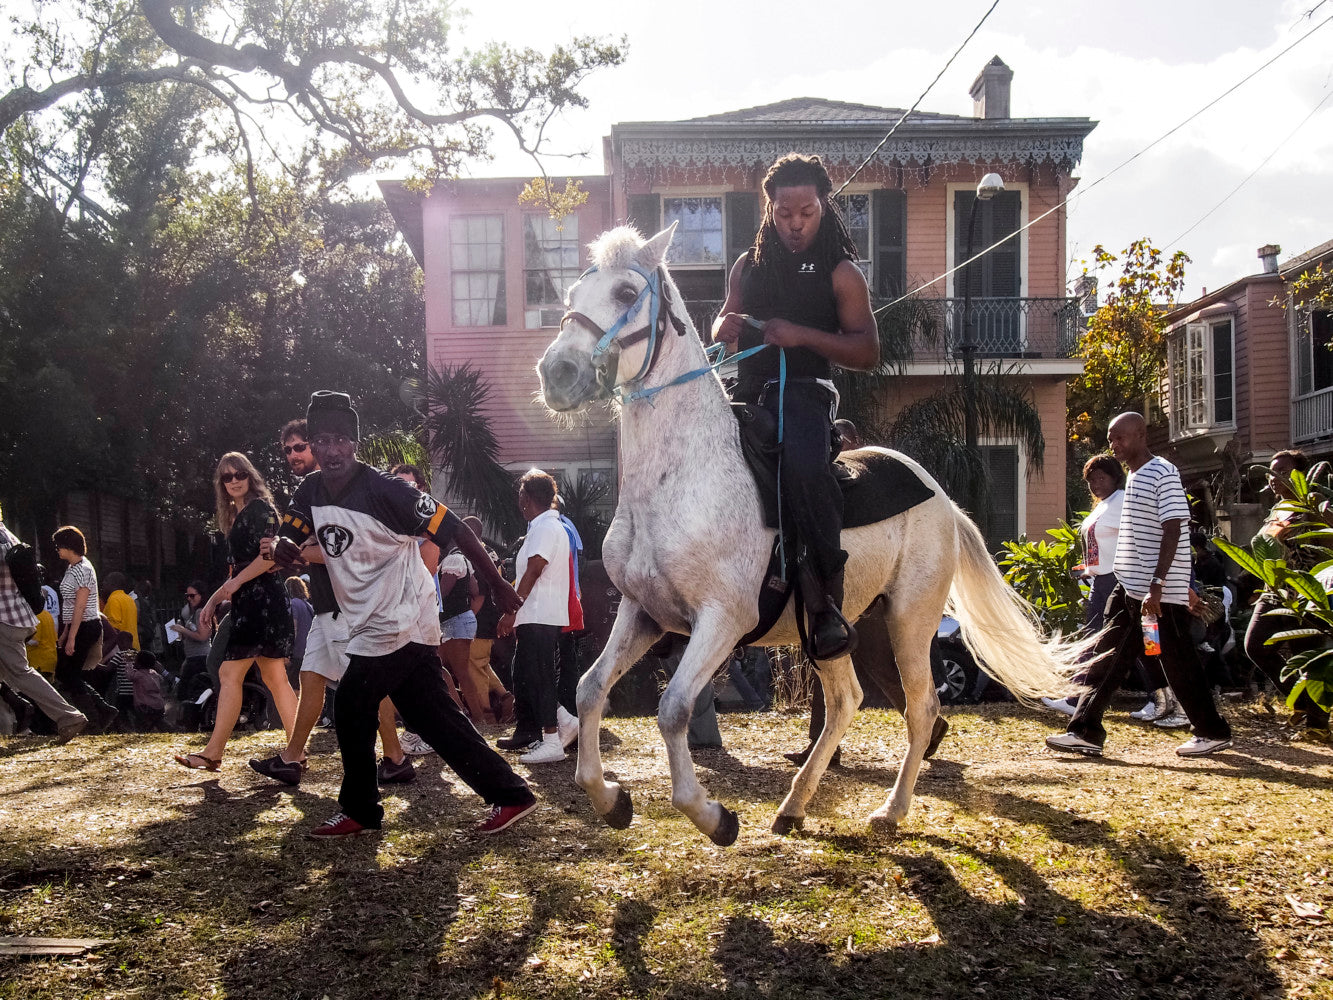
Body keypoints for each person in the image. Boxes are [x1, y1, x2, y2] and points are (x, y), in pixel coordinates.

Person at [272, 390, 536, 837]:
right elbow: (292, 529)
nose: (331, 450)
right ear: (312, 446)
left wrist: (497, 583)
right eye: (322, 441)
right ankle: (511, 794)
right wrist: (283, 547)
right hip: (374, 618)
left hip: (399, 617)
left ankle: (360, 810)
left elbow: (454, 529)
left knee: (354, 704)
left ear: (354, 443)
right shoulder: (310, 490)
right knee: (434, 717)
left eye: (340, 439)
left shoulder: (387, 490)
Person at [712, 153, 879, 660]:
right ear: (770, 209)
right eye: (785, 213)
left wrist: (801, 334)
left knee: (805, 470)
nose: (795, 223)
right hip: (746, 396)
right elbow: (724, 323)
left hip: (807, 392)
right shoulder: (748, 265)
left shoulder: (842, 271)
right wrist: (723, 328)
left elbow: (868, 352)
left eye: (806, 211)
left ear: (822, 207)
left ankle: (827, 602)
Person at [1046, 412, 1233, 758]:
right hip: (1130, 587)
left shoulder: (1162, 471)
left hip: (1156, 593)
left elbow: (1174, 527)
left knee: (1177, 660)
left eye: (1121, 438)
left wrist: (1162, 585)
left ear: (1141, 435)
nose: (1115, 444)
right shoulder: (1133, 476)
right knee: (1109, 655)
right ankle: (1086, 731)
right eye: (1111, 438)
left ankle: (1211, 730)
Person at [249, 419, 414, 787]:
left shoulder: (346, 490)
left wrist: (299, 553)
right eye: (288, 449)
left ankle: (395, 757)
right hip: (326, 602)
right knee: (310, 678)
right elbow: (292, 544)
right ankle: (292, 758)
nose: (295, 454)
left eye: (302, 446)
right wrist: (285, 548)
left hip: (349, 603)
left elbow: (345, 549)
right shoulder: (311, 492)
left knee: (368, 685)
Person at [174, 453, 297, 771]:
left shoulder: (260, 509)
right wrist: (216, 598)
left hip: (262, 602)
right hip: (250, 601)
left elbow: (270, 559)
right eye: (226, 477)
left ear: (250, 475)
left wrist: (232, 587)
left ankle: (213, 753)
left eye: (239, 473)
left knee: (232, 674)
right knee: (274, 677)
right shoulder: (237, 514)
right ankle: (296, 752)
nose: (233, 480)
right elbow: (239, 569)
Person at [1244, 449, 1329, 733]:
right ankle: (1301, 699)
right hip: (1274, 591)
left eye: (1282, 471)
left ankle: (1317, 725)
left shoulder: (1314, 503)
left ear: (1299, 476)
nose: (1274, 477)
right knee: (1255, 645)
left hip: (1305, 592)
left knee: (1308, 658)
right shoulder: (1276, 508)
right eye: (1271, 471)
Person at [497, 469, 577, 764]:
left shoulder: (544, 527)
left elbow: (533, 570)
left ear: (526, 499)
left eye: (520, 494)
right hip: (536, 613)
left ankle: (552, 740)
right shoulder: (543, 526)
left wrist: (510, 611)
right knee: (530, 676)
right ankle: (562, 723)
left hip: (540, 613)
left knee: (541, 677)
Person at [0, 519, 87, 743]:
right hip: (17, 616)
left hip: (3, 620)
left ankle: (68, 716)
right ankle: (9, 728)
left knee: (21, 673)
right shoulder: (8, 535)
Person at [51, 525, 118, 731]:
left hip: (86, 626)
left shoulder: (84, 568)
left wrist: (71, 637)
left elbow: (80, 606)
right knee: (67, 673)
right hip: (77, 626)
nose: (57, 550)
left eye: (58, 546)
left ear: (68, 546)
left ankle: (95, 718)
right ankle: (102, 710)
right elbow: (70, 606)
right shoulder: (72, 568)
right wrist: (65, 633)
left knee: (69, 673)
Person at [457, 515, 516, 727]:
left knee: (473, 666)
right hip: (492, 616)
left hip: (479, 618)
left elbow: (480, 594)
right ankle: (505, 696)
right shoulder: (490, 552)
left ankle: (486, 713)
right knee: (480, 663)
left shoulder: (473, 554)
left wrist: (468, 621)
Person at [176, 580, 212, 685]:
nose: (189, 599)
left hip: (200, 658)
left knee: (185, 692)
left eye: (192, 596)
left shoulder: (200, 612)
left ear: (201, 595)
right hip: (193, 657)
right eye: (187, 596)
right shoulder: (194, 612)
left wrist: (183, 629)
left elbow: (202, 636)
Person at [100, 572, 141, 652]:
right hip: (134, 648)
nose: (103, 584)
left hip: (121, 651)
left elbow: (113, 631)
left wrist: (103, 652)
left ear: (112, 584)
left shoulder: (113, 600)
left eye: (106, 581)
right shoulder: (129, 599)